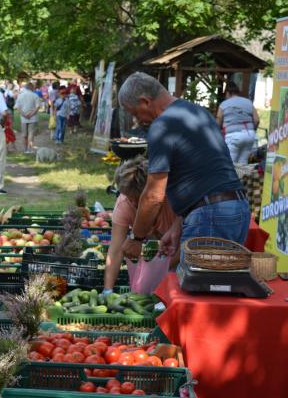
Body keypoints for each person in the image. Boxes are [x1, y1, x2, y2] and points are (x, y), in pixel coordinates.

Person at [117, 72, 250, 262]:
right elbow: (208, 174)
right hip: (237, 209)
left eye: (135, 113)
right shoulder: (197, 112)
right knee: (221, 285)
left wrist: (136, 238)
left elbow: (154, 195)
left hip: (212, 215)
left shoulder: (162, 126)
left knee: (200, 288)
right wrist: (178, 224)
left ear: (145, 101)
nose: (138, 120)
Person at [103, 157, 178, 292]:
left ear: (148, 194)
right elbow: (115, 250)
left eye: (135, 198)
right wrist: (107, 289)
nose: (131, 202)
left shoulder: (173, 200)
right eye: (127, 197)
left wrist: (157, 271)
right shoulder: (124, 204)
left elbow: (186, 245)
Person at [216, 81, 259, 164]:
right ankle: (241, 177)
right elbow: (256, 120)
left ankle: (230, 177)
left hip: (233, 136)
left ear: (228, 93)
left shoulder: (224, 104)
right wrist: (252, 130)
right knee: (242, 163)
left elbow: (218, 120)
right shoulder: (248, 102)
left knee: (230, 163)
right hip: (249, 135)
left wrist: (218, 133)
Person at [15, 82, 41, 153]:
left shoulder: (20, 95)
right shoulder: (35, 95)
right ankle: (30, 149)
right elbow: (38, 107)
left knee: (24, 134)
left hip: (23, 118)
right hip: (33, 117)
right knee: (31, 134)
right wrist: (31, 114)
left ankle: (25, 149)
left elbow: (17, 107)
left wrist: (24, 114)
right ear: (32, 88)